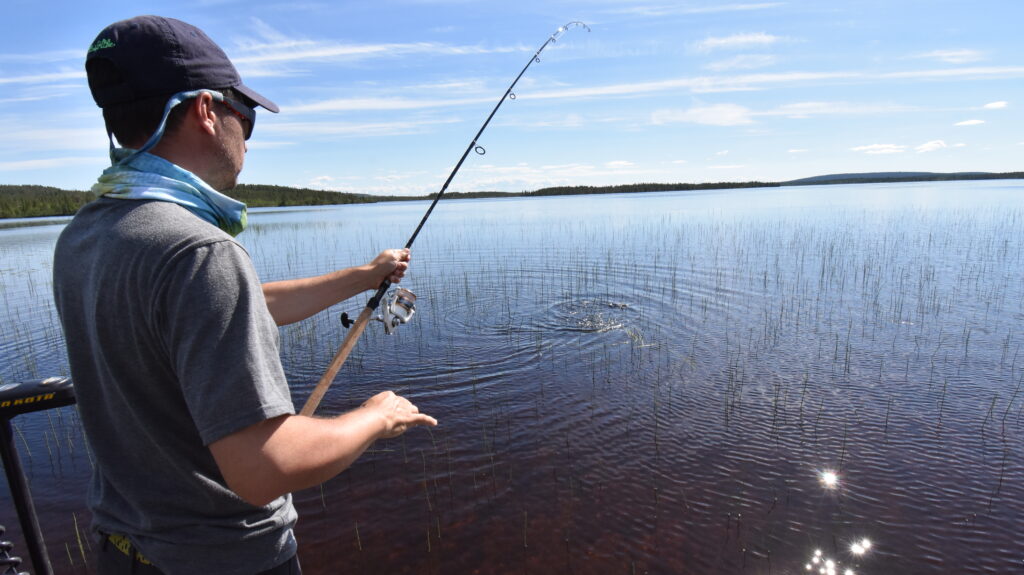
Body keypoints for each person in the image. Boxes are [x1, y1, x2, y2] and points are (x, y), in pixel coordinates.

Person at [52, 15, 437, 575]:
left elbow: (222, 309)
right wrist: (377, 417)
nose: (248, 140)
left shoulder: (87, 234)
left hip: (124, 551)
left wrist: (362, 275)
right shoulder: (198, 251)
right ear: (207, 111)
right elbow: (263, 470)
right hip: (223, 560)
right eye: (246, 116)